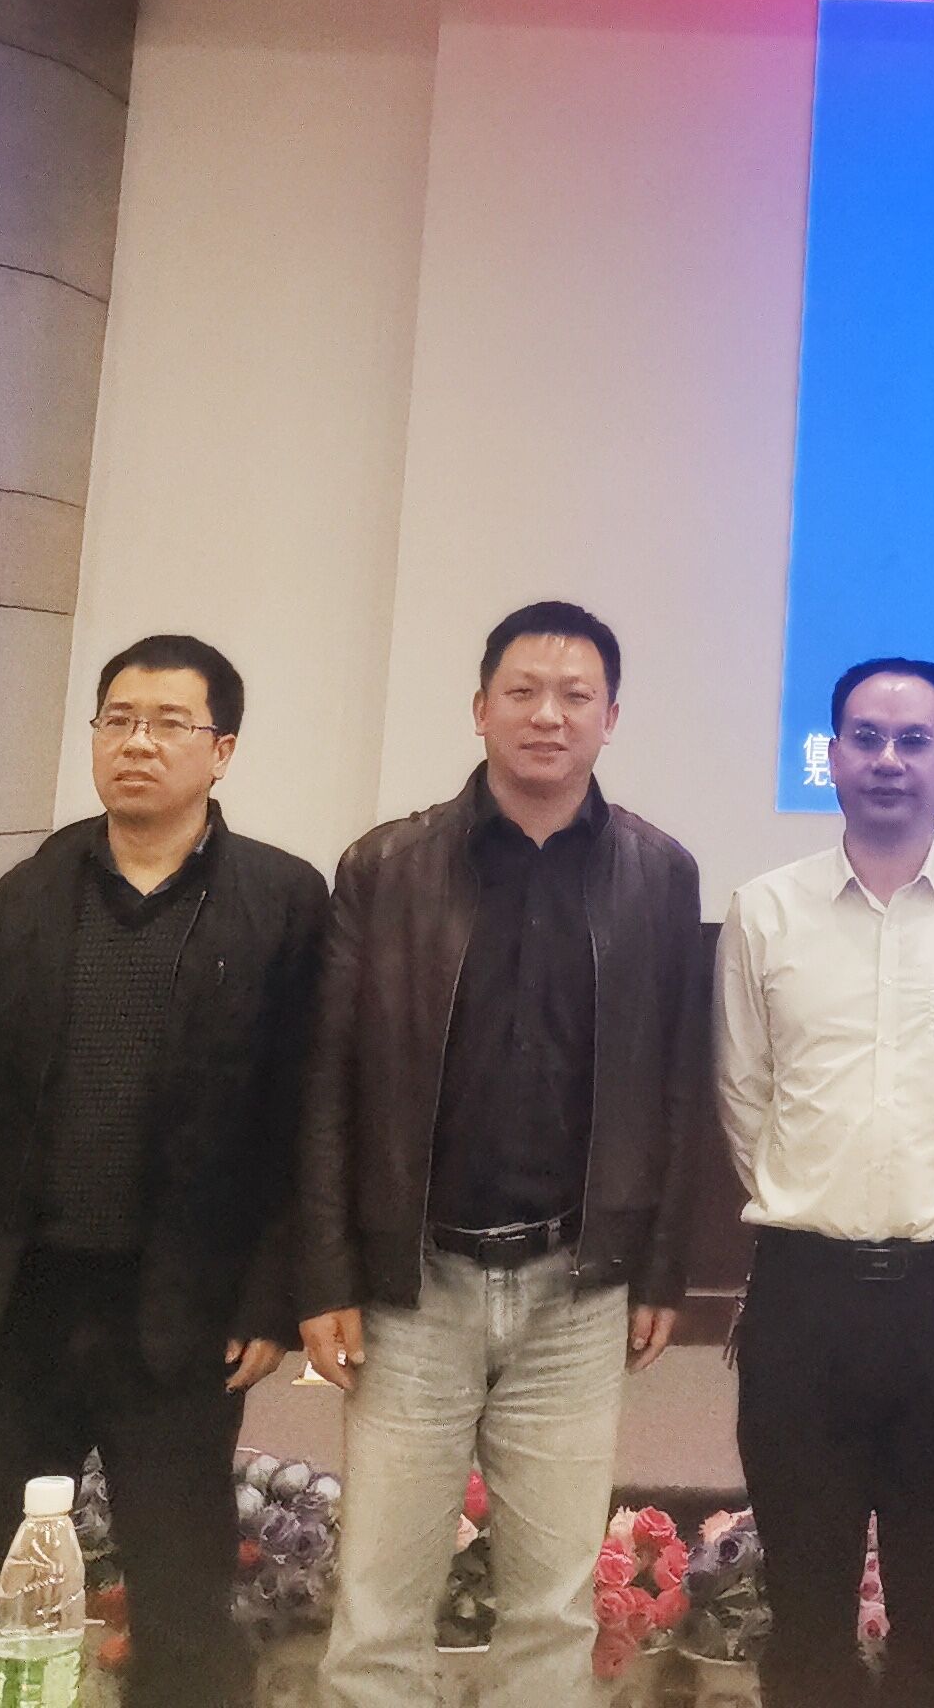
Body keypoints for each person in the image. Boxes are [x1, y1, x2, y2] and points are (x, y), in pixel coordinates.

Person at [0, 635, 332, 1708]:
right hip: (15, 1303)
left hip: (178, 1312)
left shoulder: (281, 899)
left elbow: (302, 1116)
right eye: (118, 720)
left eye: (170, 724)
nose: (138, 743)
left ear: (222, 751)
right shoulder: (33, 889)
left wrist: (270, 1296)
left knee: (181, 1610)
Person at [297, 602, 709, 1708]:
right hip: (415, 1284)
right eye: (523, 692)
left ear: (611, 718)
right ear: (480, 708)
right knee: (378, 1609)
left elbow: (679, 1082)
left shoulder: (660, 874)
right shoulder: (386, 866)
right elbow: (328, 1083)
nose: (547, 715)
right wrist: (326, 1272)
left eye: (576, 696)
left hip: (577, 1290)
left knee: (554, 1610)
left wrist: (661, 1266)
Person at [718, 658, 934, 1708]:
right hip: (804, 1294)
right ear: (832, 757)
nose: (888, 760)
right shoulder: (765, 909)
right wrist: (822, 1201)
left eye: (915, 741)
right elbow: (744, 1095)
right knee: (806, 1598)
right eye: (864, 737)